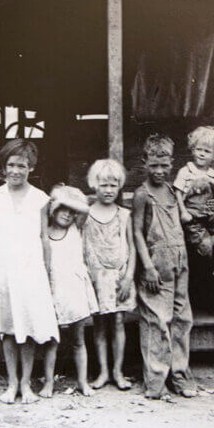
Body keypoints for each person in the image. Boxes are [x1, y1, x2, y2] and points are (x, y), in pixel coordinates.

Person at [0, 139, 59, 404]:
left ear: (31, 168)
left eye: (22, 166)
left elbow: (44, 237)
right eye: (11, 165)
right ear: (4, 167)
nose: (16, 170)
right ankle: (11, 383)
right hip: (5, 270)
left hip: (31, 270)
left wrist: (48, 274)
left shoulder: (40, 198)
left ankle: (26, 384)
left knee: (27, 326)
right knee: (7, 327)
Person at [132, 134, 198, 400]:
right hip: (155, 266)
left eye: (164, 165)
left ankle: (180, 376)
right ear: (144, 162)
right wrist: (147, 266)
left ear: (172, 162)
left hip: (180, 263)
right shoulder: (142, 194)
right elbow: (137, 232)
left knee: (182, 319)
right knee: (157, 322)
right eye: (153, 165)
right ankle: (155, 380)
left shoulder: (173, 191)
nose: (159, 171)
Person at [41, 185, 100, 398]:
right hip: (54, 288)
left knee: (78, 339)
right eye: (62, 208)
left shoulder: (76, 227)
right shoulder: (44, 232)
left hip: (74, 288)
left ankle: (83, 382)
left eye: (70, 209)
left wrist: (63, 199)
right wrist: (55, 202)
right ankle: (48, 382)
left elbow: (85, 209)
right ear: (52, 209)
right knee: (51, 341)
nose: (67, 213)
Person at [82, 159, 136, 390]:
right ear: (94, 185)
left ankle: (118, 371)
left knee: (118, 321)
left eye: (113, 185)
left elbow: (132, 248)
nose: (108, 190)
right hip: (96, 277)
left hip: (120, 276)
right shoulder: (85, 214)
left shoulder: (124, 215)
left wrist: (129, 277)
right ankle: (103, 371)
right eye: (103, 185)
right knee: (100, 325)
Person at [174, 126, 214, 285]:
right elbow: (178, 192)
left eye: (207, 151)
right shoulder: (186, 171)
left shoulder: (213, 175)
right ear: (193, 149)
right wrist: (183, 212)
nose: (201, 153)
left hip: (212, 216)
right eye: (198, 149)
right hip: (193, 217)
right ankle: (211, 258)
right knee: (205, 246)